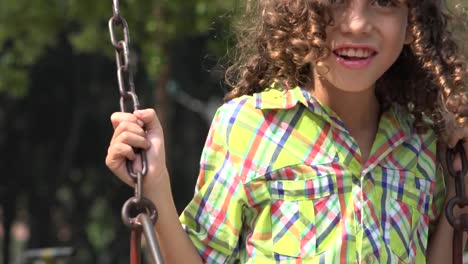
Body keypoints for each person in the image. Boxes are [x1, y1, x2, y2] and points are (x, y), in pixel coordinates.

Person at [105, 0, 468, 263]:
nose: (357, 23)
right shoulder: (249, 126)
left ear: (413, 23)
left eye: (385, 1)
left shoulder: (421, 141)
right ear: (297, 11)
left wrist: (458, 182)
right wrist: (154, 186)